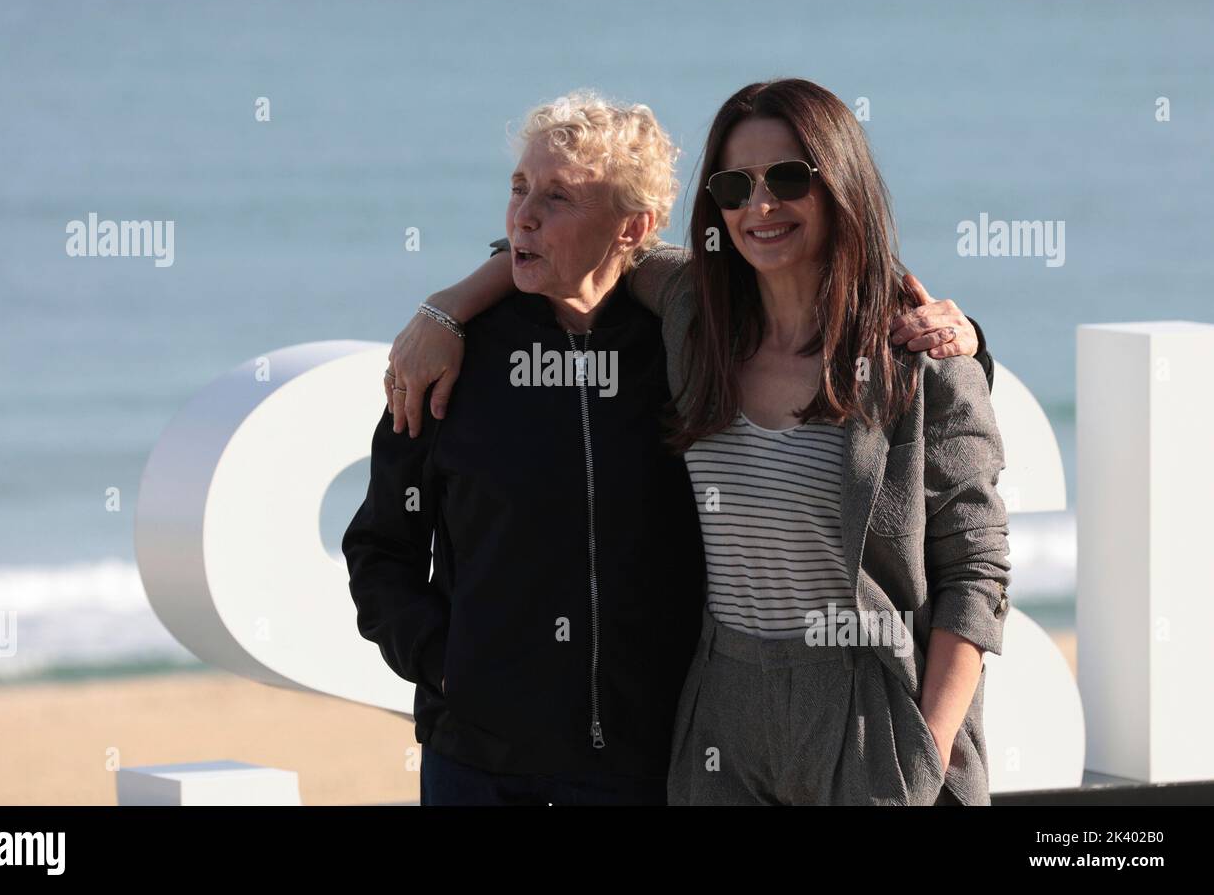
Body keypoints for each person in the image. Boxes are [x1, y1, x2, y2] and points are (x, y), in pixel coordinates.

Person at [358, 84, 1000, 805]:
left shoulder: (739, 337)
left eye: (787, 178)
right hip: (576, 746)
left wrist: (966, 342)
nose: (759, 206)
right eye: (734, 186)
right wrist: (451, 667)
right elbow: (383, 549)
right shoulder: (481, 354)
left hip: (745, 736)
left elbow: (973, 562)